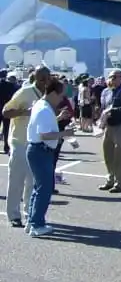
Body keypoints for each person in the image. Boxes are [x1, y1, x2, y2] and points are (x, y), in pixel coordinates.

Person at [25, 78, 75, 236]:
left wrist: (58, 118)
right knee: (44, 189)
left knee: (38, 188)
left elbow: (44, 127)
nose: (61, 99)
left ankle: (32, 221)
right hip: (41, 150)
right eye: (60, 96)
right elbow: (45, 134)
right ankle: (37, 225)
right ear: (53, 93)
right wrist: (65, 133)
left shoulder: (41, 105)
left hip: (37, 150)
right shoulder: (45, 109)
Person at [4, 66, 51, 228]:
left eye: (47, 78)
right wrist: (25, 111)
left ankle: (29, 213)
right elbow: (6, 111)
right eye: (41, 78)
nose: (45, 82)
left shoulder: (48, 95)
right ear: (35, 78)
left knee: (33, 182)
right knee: (17, 179)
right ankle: (13, 214)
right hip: (19, 142)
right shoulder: (25, 92)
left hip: (36, 144)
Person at [98, 70, 121, 193]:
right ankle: (110, 180)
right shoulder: (107, 92)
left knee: (120, 155)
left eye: (114, 77)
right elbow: (103, 107)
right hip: (109, 126)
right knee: (108, 154)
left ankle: (120, 183)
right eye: (110, 77)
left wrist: (112, 111)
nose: (111, 79)